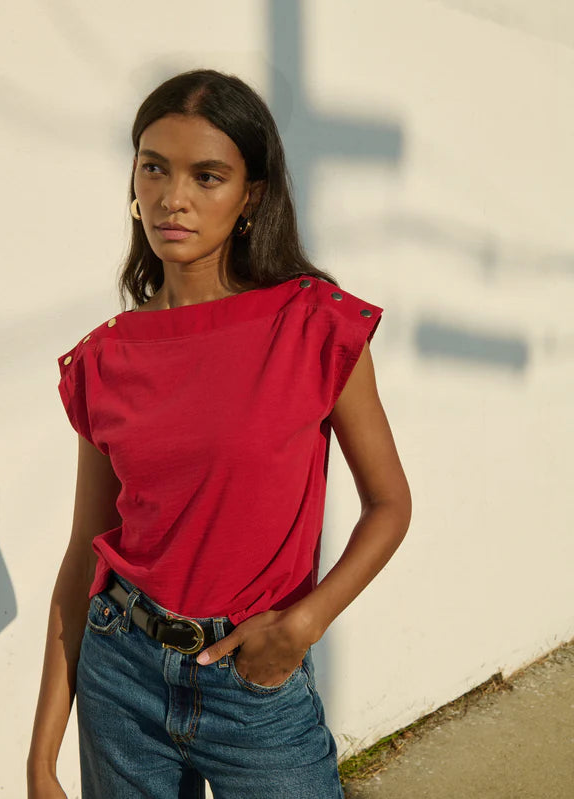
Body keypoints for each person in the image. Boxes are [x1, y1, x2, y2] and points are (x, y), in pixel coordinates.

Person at [27, 68, 411, 799]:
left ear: (251, 196)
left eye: (207, 176)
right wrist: (41, 757)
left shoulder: (313, 325)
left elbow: (390, 504)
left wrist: (303, 625)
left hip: (253, 685)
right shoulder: (104, 358)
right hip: (121, 676)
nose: (173, 198)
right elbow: (85, 551)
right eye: (154, 168)